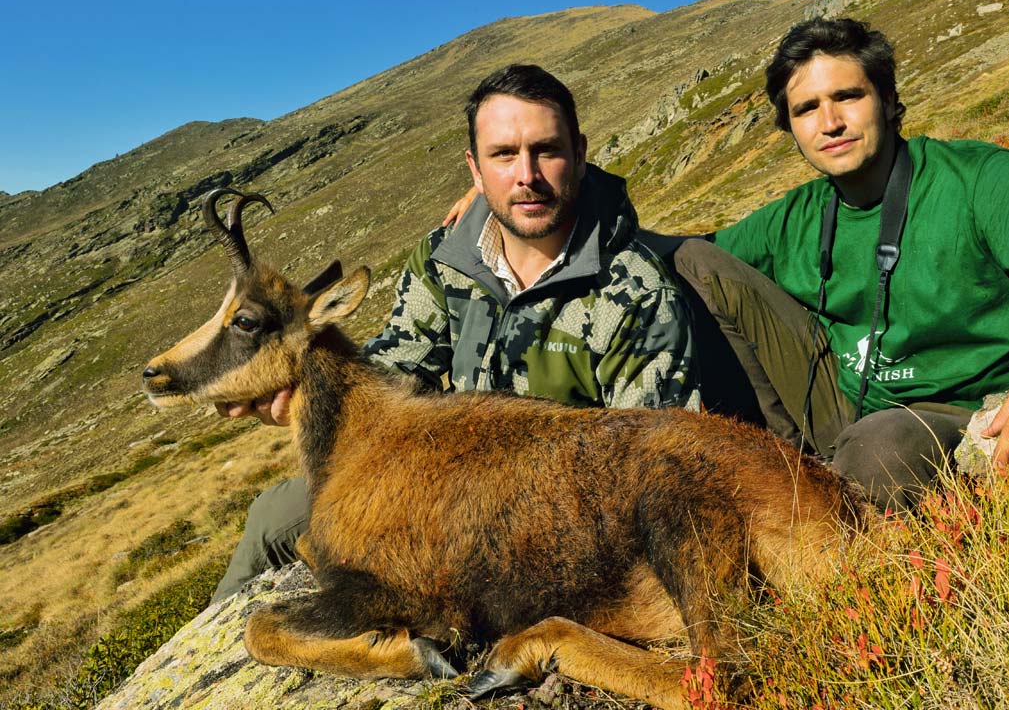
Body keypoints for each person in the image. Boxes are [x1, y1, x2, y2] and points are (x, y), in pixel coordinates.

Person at [210, 64, 699, 603]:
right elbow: (390, 377)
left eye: (547, 150)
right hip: (433, 472)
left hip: (552, 514)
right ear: (474, 167)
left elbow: (658, 466)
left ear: (580, 154)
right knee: (270, 519)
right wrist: (302, 400)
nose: (527, 176)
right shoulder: (443, 260)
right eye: (504, 155)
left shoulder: (635, 292)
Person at [669, 17, 1009, 509]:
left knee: (878, 452)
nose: (830, 123)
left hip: (952, 410)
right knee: (691, 261)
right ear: (791, 127)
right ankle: (766, 474)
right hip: (838, 399)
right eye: (806, 109)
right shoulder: (794, 216)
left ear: (886, 99)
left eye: (847, 96)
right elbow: (682, 255)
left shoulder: (980, 179)